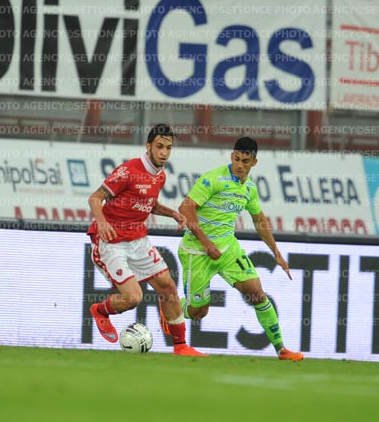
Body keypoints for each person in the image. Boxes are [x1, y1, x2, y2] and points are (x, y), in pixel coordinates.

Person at [171, 136, 303, 362]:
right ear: (232, 156)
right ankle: (172, 310)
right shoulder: (213, 179)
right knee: (198, 312)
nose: (239, 165)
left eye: (245, 161)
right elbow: (185, 207)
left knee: (257, 294)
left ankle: (282, 350)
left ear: (254, 162)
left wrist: (277, 254)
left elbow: (259, 220)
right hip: (197, 251)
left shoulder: (249, 188)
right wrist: (206, 243)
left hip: (228, 250)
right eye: (237, 159)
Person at [87, 124, 205, 356]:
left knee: (167, 286)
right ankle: (100, 311)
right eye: (159, 146)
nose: (164, 152)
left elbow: (148, 203)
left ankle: (181, 346)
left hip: (138, 239)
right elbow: (95, 198)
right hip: (111, 241)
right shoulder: (128, 171)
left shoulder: (160, 176)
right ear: (148, 146)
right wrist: (101, 222)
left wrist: (172, 213)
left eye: (168, 148)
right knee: (133, 298)